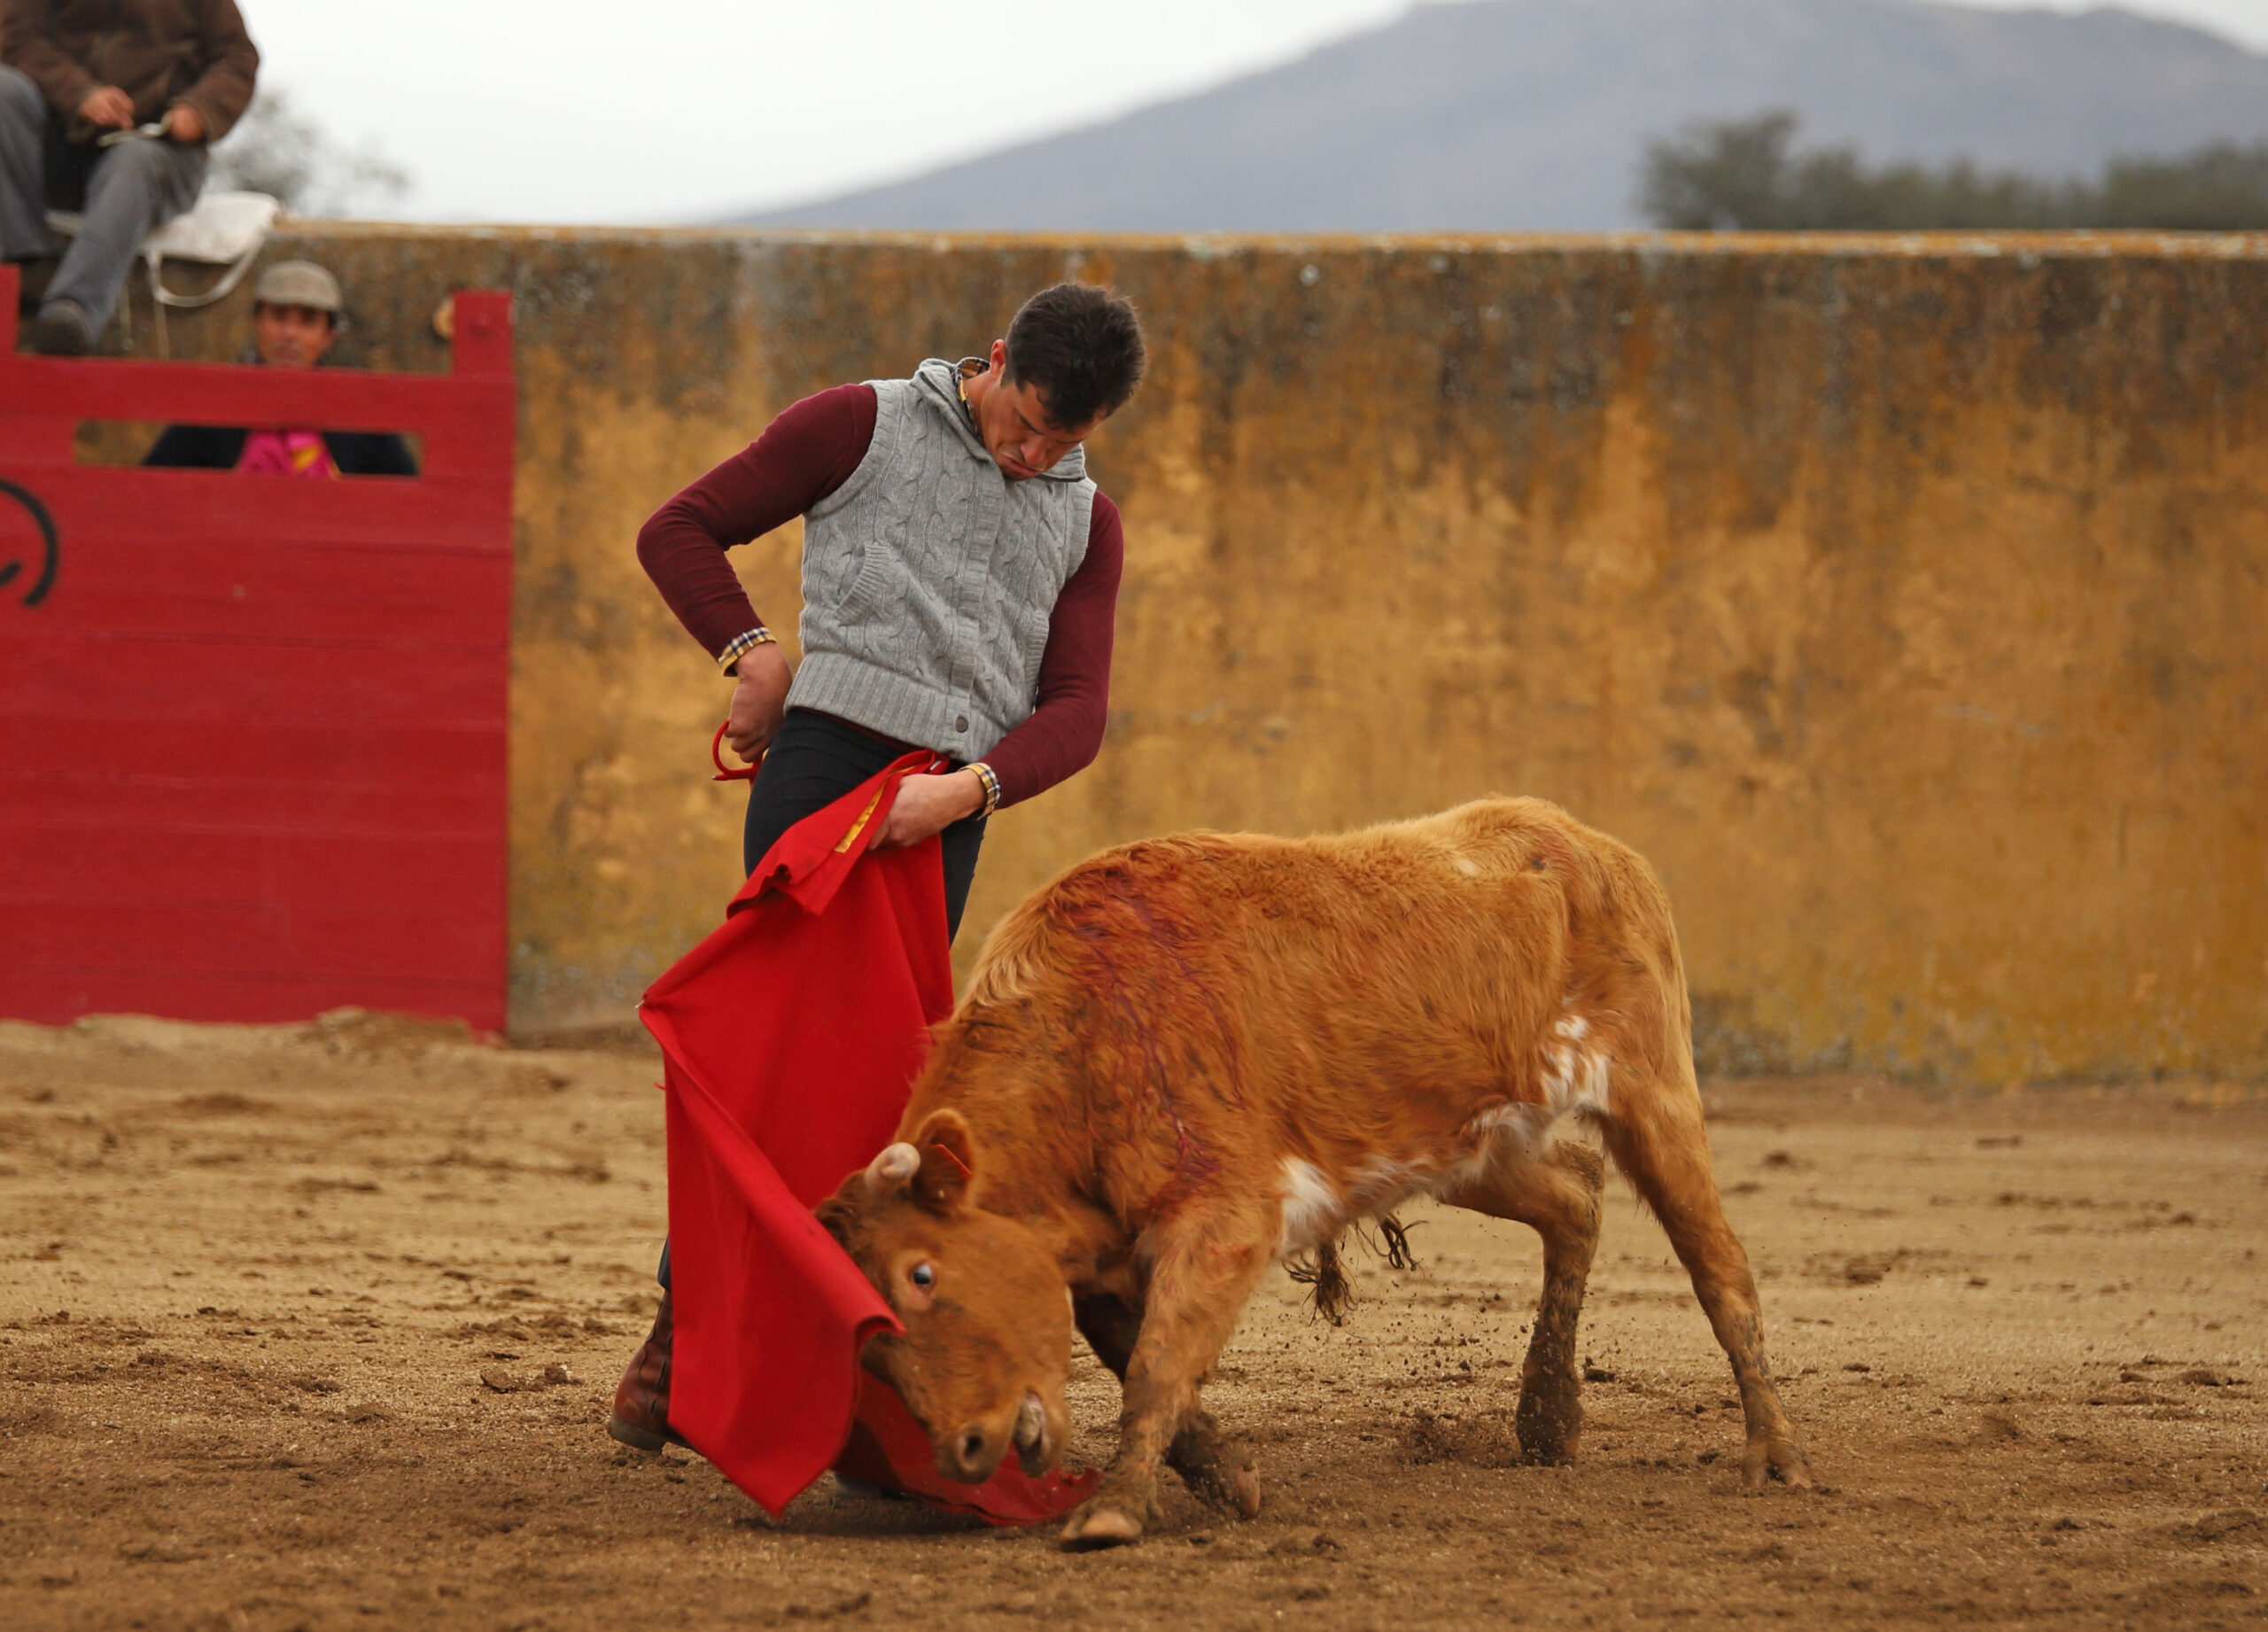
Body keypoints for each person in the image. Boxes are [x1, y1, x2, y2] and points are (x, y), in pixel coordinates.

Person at [609, 281, 1148, 1454]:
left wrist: (967, 791)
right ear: (998, 359)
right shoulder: (861, 424)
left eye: (1064, 441)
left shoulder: (1085, 518)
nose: (1033, 452)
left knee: (878, 1096)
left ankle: (841, 1375)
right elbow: (677, 528)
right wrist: (749, 651)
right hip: (824, 775)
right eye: (1026, 421)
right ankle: (679, 1329)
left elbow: (1079, 707)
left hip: (947, 809)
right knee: (776, 1057)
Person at [1, 0, 259, 355]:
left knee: (133, 158)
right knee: (3, 90)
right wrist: (79, 94)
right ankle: (20, 267)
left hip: (157, 149)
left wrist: (199, 110)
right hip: (65, 145)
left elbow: (237, 58)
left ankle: (72, 311)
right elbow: (13, 36)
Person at [143, 260, 419, 477]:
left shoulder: (362, 411)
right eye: (278, 317)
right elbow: (153, 487)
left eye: (307, 322)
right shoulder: (213, 405)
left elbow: (406, 498)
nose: (289, 334)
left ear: (329, 336)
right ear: (257, 323)